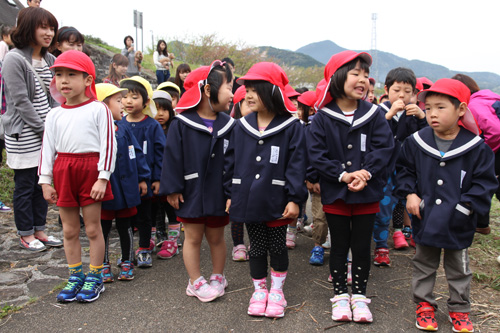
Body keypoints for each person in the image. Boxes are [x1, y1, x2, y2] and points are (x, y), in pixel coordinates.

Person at [394, 78, 498, 332]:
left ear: (461, 109)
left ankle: (460, 308)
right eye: (428, 108)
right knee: (424, 262)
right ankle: (424, 304)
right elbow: (404, 170)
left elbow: (484, 184)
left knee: (459, 267)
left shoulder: (476, 148)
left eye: (441, 107)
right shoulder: (416, 142)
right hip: (425, 216)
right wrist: (409, 194)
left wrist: (466, 208)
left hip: (458, 220)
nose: (432, 114)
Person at [307, 51, 395, 323]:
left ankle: (359, 296)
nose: (363, 80)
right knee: (339, 244)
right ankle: (340, 297)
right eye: (356, 73)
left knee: (360, 246)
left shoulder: (374, 114)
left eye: (366, 75)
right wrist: (343, 175)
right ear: (337, 78)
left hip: (366, 193)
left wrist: (365, 173)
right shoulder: (323, 117)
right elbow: (316, 153)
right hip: (336, 193)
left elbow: (385, 148)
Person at [224, 62, 307, 318]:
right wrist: (229, 194)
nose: (247, 95)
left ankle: (277, 291)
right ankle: (259, 290)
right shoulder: (241, 125)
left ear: (272, 91)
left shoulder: (291, 127)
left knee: (278, 246)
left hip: (278, 200)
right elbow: (230, 162)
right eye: (246, 89)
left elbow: (297, 165)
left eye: (253, 89)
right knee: (257, 246)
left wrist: (295, 199)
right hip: (249, 199)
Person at [38, 50, 116, 302]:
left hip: (91, 170)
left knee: (93, 228)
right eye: (59, 75)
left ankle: (95, 276)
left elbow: (108, 145)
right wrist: (45, 180)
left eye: (71, 74)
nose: (63, 80)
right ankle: (75, 275)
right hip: (64, 171)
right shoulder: (54, 114)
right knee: (69, 230)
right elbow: (47, 148)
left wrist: (103, 177)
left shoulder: (98, 109)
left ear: (87, 80)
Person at [160, 60, 235, 303]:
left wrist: (232, 192)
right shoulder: (181, 124)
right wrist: (172, 189)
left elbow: (234, 162)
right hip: (190, 191)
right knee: (192, 238)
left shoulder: (229, 125)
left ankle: (217, 276)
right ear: (207, 90)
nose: (232, 94)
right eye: (228, 87)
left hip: (219, 193)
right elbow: (171, 159)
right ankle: (195, 281)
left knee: (216, 237)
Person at [1, 7, 62, 250]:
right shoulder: (14, 59)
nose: (49, 33)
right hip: (24, 133)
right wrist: (44, 129)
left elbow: (57, 96)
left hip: (46, 131)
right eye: (43, 27)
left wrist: (54, 126)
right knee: (25, 184)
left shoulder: (50, 60)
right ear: (28, 28)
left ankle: (40, 230)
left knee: (42, 182)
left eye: (51, 28)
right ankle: (26, 233)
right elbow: (20, 101)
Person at [95, 83, 150, 282]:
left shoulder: (124, 129)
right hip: (106, 190)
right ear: (101, 106)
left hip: (126, 189)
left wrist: (143, 178)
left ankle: (127, 261)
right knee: (104, 227)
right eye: (118, 101)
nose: (123, 104)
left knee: (126, 225)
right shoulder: (95, 132)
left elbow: (137, 153)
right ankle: (103, 264)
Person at [372, 67, 427, 266]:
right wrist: (390, 115)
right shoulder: (378, 112)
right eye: (397, 90)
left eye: (407, 91)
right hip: (383, 171)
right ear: (386, 90)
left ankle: (410, 236)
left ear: (414, 93)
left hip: (406, 171)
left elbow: (426, 138)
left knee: (403, 204)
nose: (402, 95)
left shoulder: (414, 114)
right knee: (383, 209)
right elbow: (374, 136)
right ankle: (381, 246)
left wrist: (422, 118)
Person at [119, 76, 165, 268]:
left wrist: (157, 178)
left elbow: (160, 153)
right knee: (127, 218)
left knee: (146, 216)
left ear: (146, 101)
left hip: (145, 180)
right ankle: (127, 253)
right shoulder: (119, 124)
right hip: (125, 181)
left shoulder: (152, 125)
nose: (129, 101)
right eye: (125, 97)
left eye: (135, 97)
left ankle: (144, 249)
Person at [452, 73, 500, 232]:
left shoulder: (474, 104)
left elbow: (495, 132)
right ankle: (482, 224)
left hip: (496, 150)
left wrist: (482, 153)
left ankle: (481, 224)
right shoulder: (488, 98)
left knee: (482, 182)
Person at [151, 90, 181, 259]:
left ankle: (173, 242)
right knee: (155, 210)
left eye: (164, 110)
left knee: (172, 210)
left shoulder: (175, 128)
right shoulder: (150, 127)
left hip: (169, 179)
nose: (160, 114)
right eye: (156, 109)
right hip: (153, 179)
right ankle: (159, 238)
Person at [227, 85, 250, 261]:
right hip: (237, 178)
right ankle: (238, 245)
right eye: (247, 103)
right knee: (236, 214)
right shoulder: (234, 127)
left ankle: (254, 242)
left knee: (253, 212)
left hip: (255, 179)